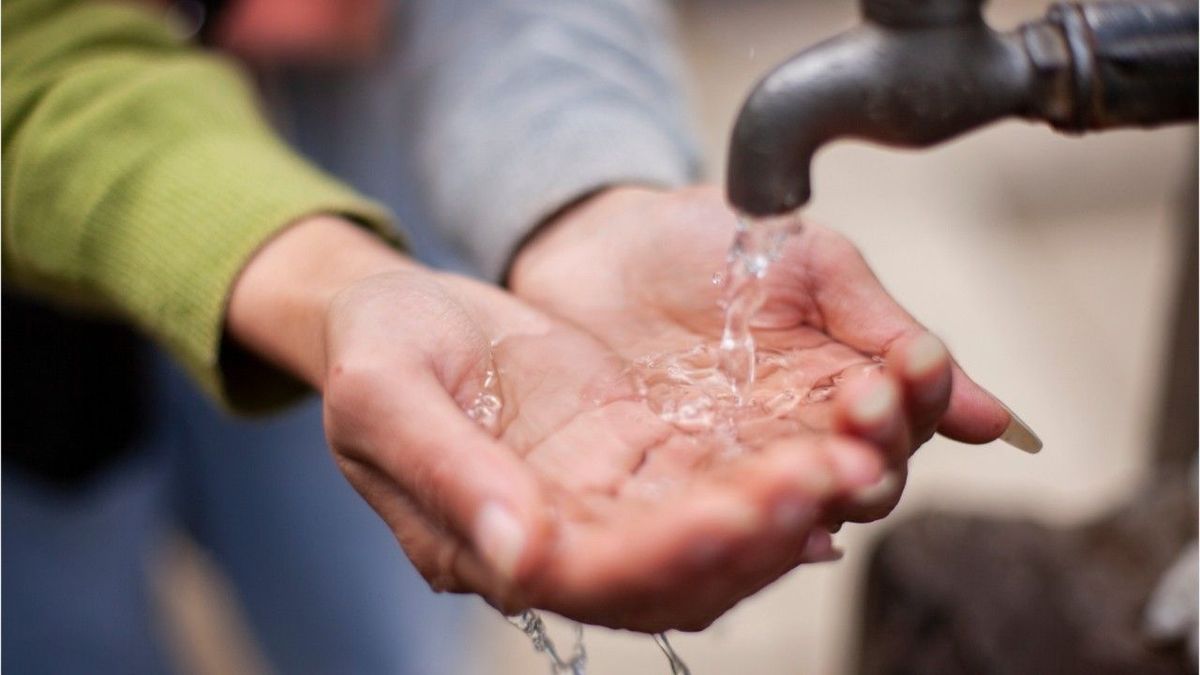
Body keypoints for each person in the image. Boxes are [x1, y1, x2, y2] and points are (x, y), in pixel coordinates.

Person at [2, 0, 1031, 670]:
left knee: (375, 630)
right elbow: (32, 53)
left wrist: (582, 193)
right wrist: (319, 277)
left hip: (335, 79)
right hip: (29, 330)